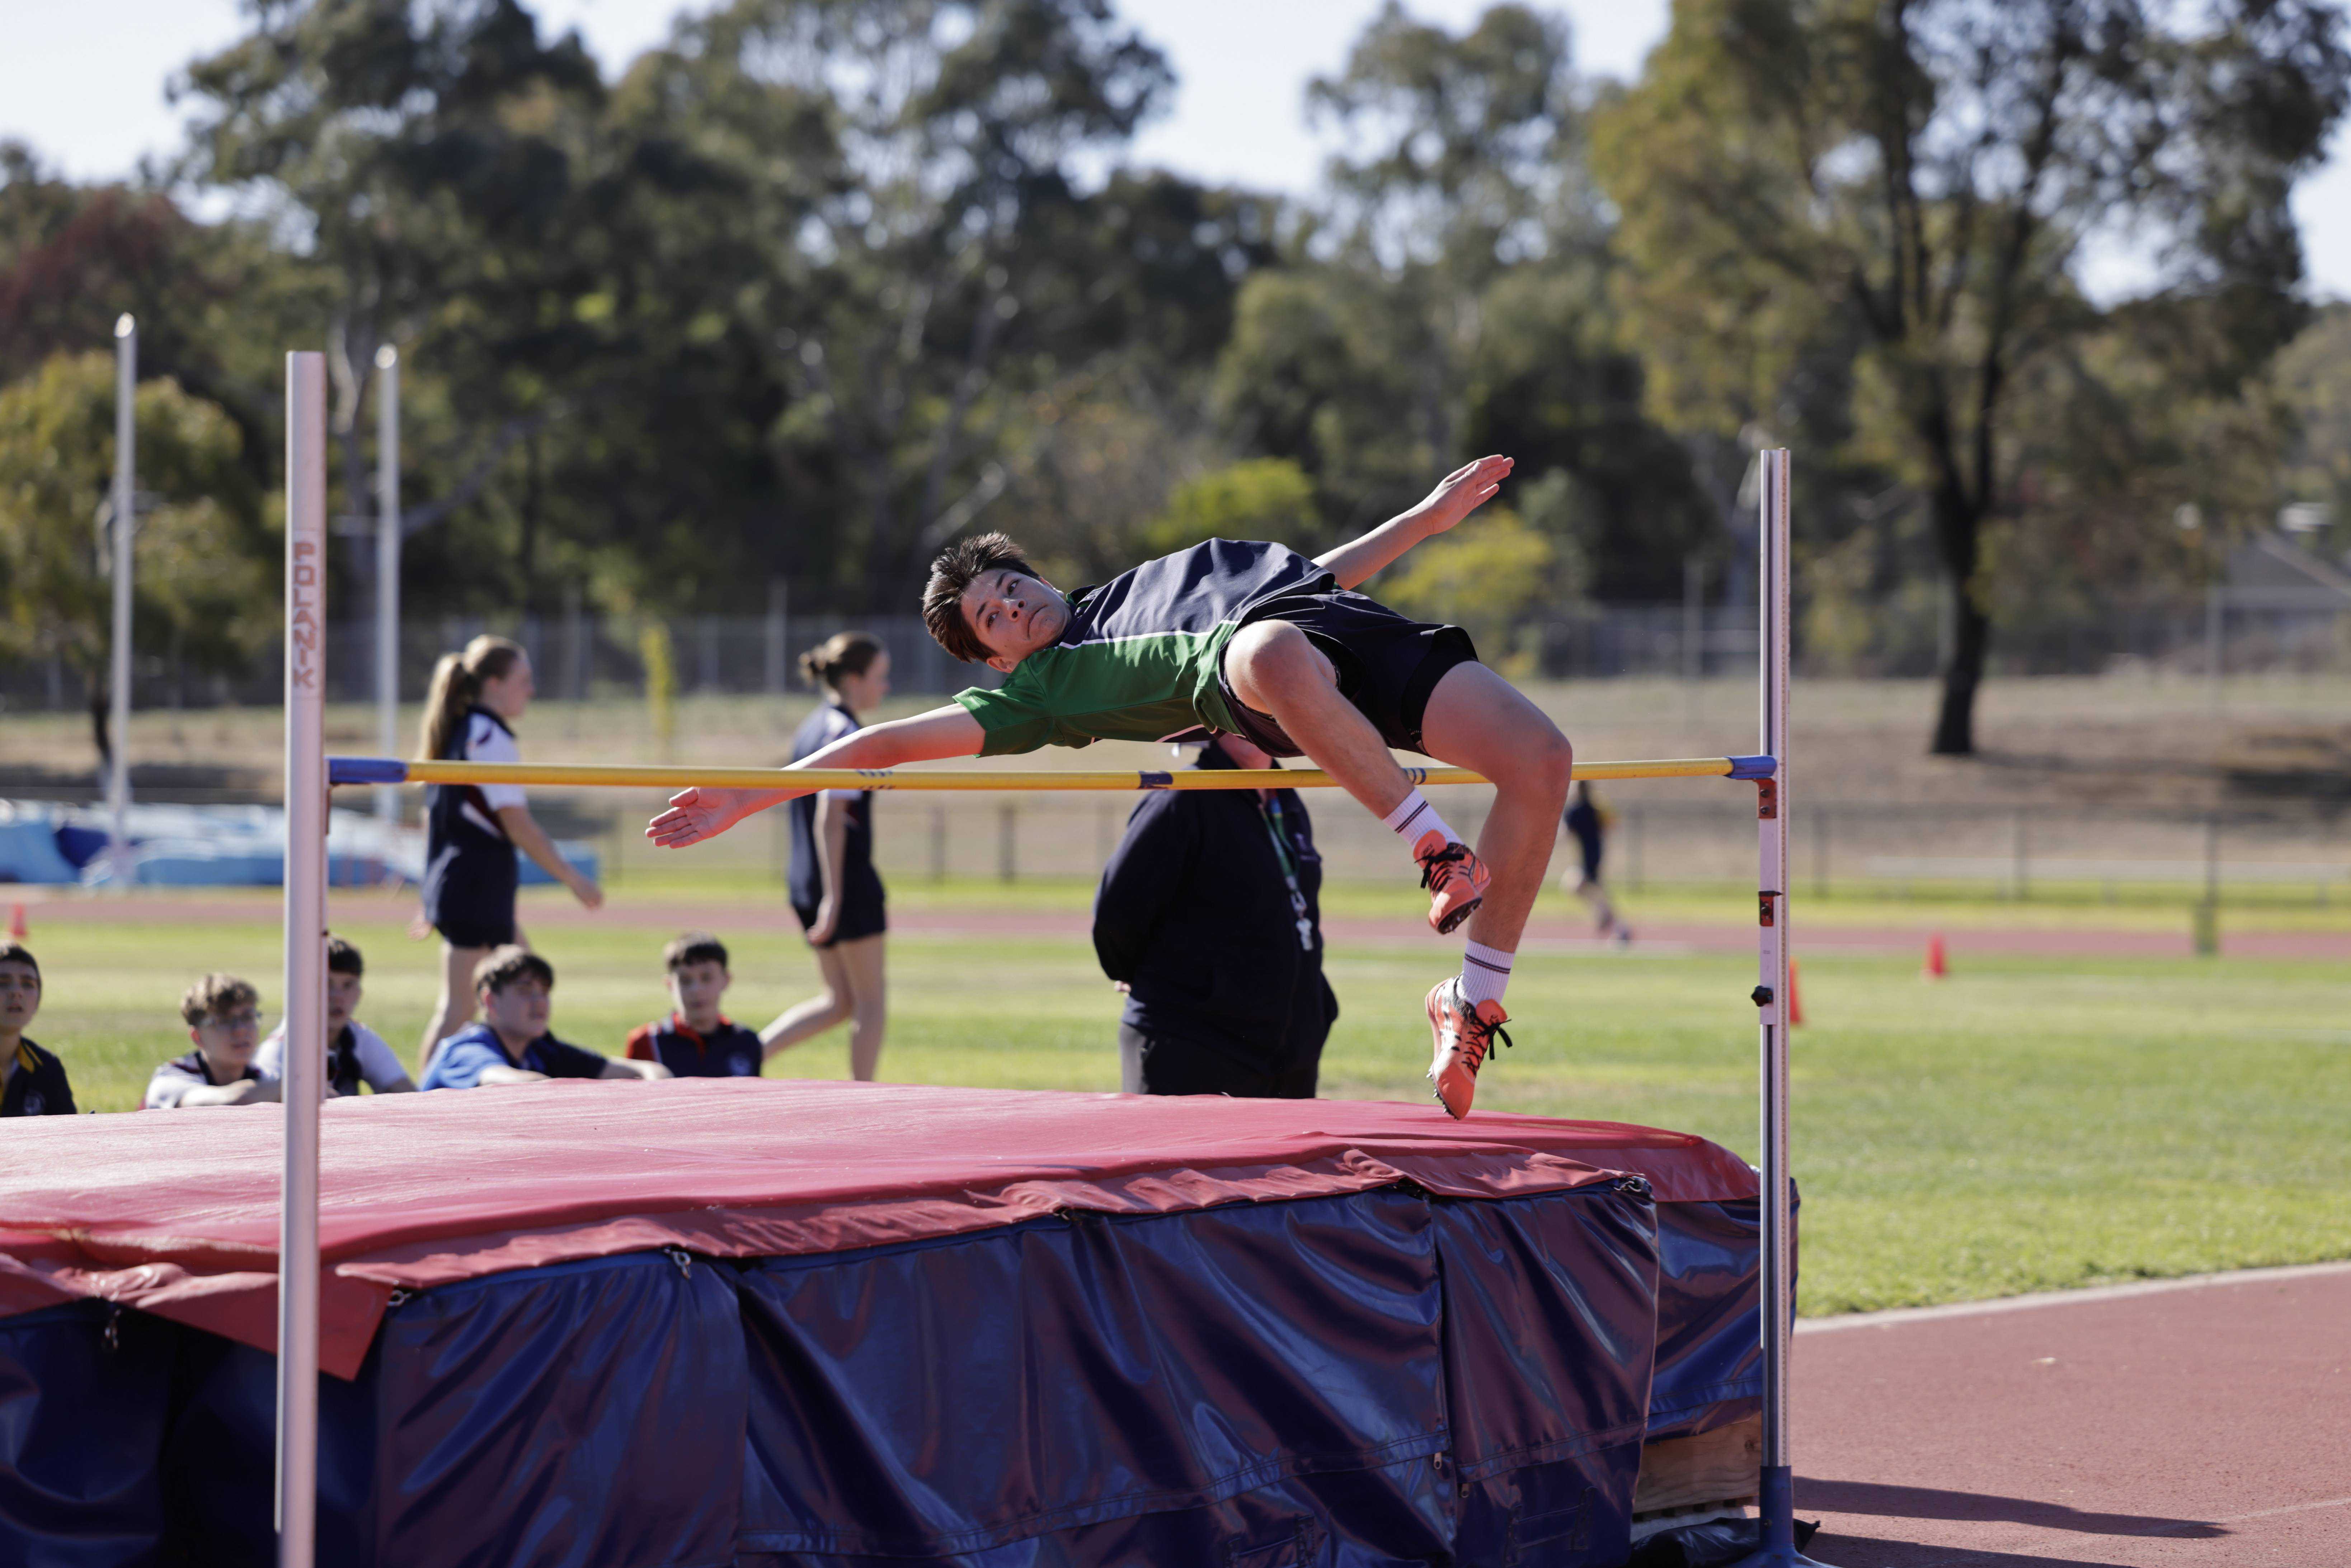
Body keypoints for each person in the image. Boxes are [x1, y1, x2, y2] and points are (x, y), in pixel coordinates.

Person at [649, 456, 1566, 1117]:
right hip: (1264, 673)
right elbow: (881, 743)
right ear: (994, 657)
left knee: (1542, 759)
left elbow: (1313, 577)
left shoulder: (1135, 590)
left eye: (1010, 585)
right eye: (992, 617)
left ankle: (1470, 998)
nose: (1012, 605)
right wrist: (749, 793)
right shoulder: (1039, 691)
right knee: (1269, 651)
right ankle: (1434, 848)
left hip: (1343, 630)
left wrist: (1423, 520)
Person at [1093, 734, 1336, 1098]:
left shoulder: (1287, 796)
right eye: (1242, 712)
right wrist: (1135, 972)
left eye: (1270, 712)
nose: (1254, 726)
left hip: (1287, 1052)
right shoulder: (1182, 796)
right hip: (1194, 1041)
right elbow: (1118, 909)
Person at [414, 635, 603, 1065]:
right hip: (475, 884)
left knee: (524, 979)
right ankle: (426, 1091)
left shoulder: (463, 731)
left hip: (474, 884)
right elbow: (518, 825)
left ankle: (524, 1069)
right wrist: (573, 878)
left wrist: (431, 892)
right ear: (494, 684)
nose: (532, 691)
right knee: (461, 1007)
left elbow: (437, 822)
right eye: (524, 680)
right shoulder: (487, 737)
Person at [757, 632, 891, 1081]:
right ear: (853, 680)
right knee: (870, 1002)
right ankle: (864, 1097)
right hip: (842, 881)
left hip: (806, 877)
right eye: (879, 677)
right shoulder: (844, 733)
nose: (885, 687)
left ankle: (742, 1056)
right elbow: (830, 820)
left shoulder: (812, 727)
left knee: (839, 1002)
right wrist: (835, 898)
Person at [419, 946, 670, 1091]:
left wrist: (658, 1088)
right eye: (525, 991)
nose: (540, 1002)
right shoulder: (466, 1049)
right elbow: (509, 1084)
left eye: (544, 992)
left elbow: (643, 1070)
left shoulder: (539, 1050)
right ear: (491, 1001)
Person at [255, 936, 418, 1097]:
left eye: (348, 985)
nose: (338, 996)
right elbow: (257, 1103)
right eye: (327, 984)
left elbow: (408, 1095)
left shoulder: (358, 1037)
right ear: (303, 989)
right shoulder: (282, 1049)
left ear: (359, 993)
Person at [625, 931, 765, 1078]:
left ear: (726, 980)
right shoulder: (647, 1041)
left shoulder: (747, 1042)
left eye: (707, 978)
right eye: (685, 980)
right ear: (670, 984)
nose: (696, 990)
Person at [147, 975, 277, 1109]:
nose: (240, 1030)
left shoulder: (266, 1078)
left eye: (248, 1017)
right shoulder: (170, 1079)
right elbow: (229, 1104)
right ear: (197, 1036)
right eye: (224, 1021)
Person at [0, 942, 74, 1117]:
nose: (16, 992)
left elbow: (70, 1130)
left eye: (28, 984)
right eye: (3, 983)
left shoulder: (48, 1068)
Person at [1562, 781, 1632, 945]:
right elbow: (1612, 825)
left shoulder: (1580, 808)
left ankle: (1619, 928)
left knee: (1582, 887)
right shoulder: (1595, 806)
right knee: (1582, 887)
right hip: (1596, 853)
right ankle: (1607, 918)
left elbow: (1567, 831)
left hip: (1590, 857)